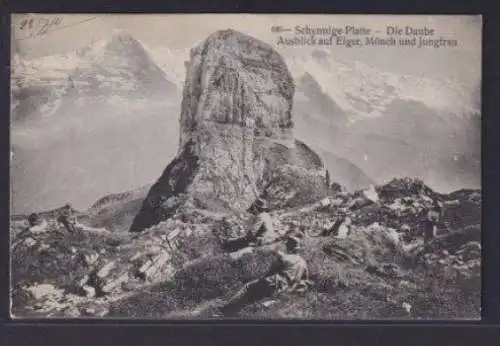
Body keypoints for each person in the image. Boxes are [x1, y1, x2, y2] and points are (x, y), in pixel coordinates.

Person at [217, 235, 310, 316]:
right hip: (285, 288)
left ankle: (226, 309)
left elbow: (270, 272)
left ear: (288, 246)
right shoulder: (303, 262)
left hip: (273, 282)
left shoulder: (284, 258)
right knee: (254, 296)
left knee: (247, 288)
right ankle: (237, 310)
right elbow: (303, 279)